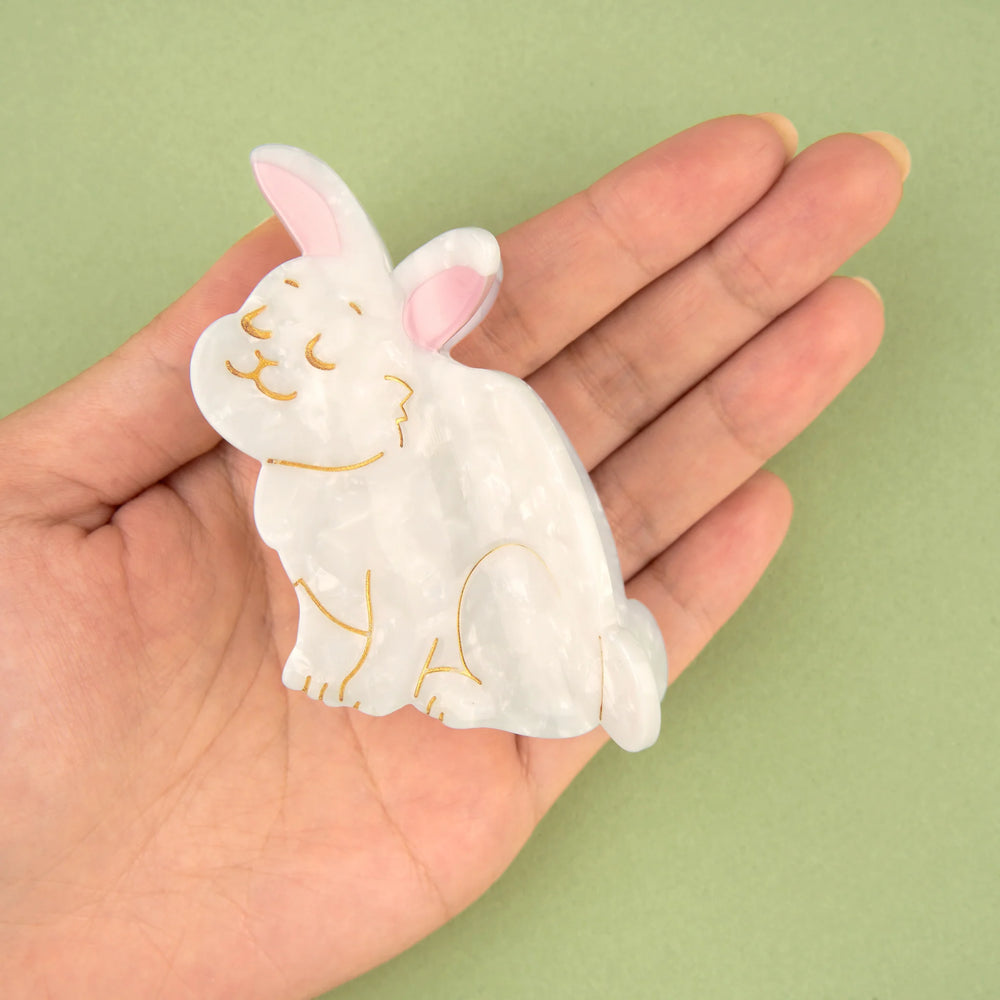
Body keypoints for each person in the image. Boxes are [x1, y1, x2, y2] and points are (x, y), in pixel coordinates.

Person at [0, 113, 907, 998]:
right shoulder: (302, 478)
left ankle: (528, 679)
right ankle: (384, 662)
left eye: (314, 358)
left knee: (475, 592)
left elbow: (412, 578)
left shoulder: (406, 467)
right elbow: (337, 577)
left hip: (509, 602)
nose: (269, 365)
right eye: (266, 335)